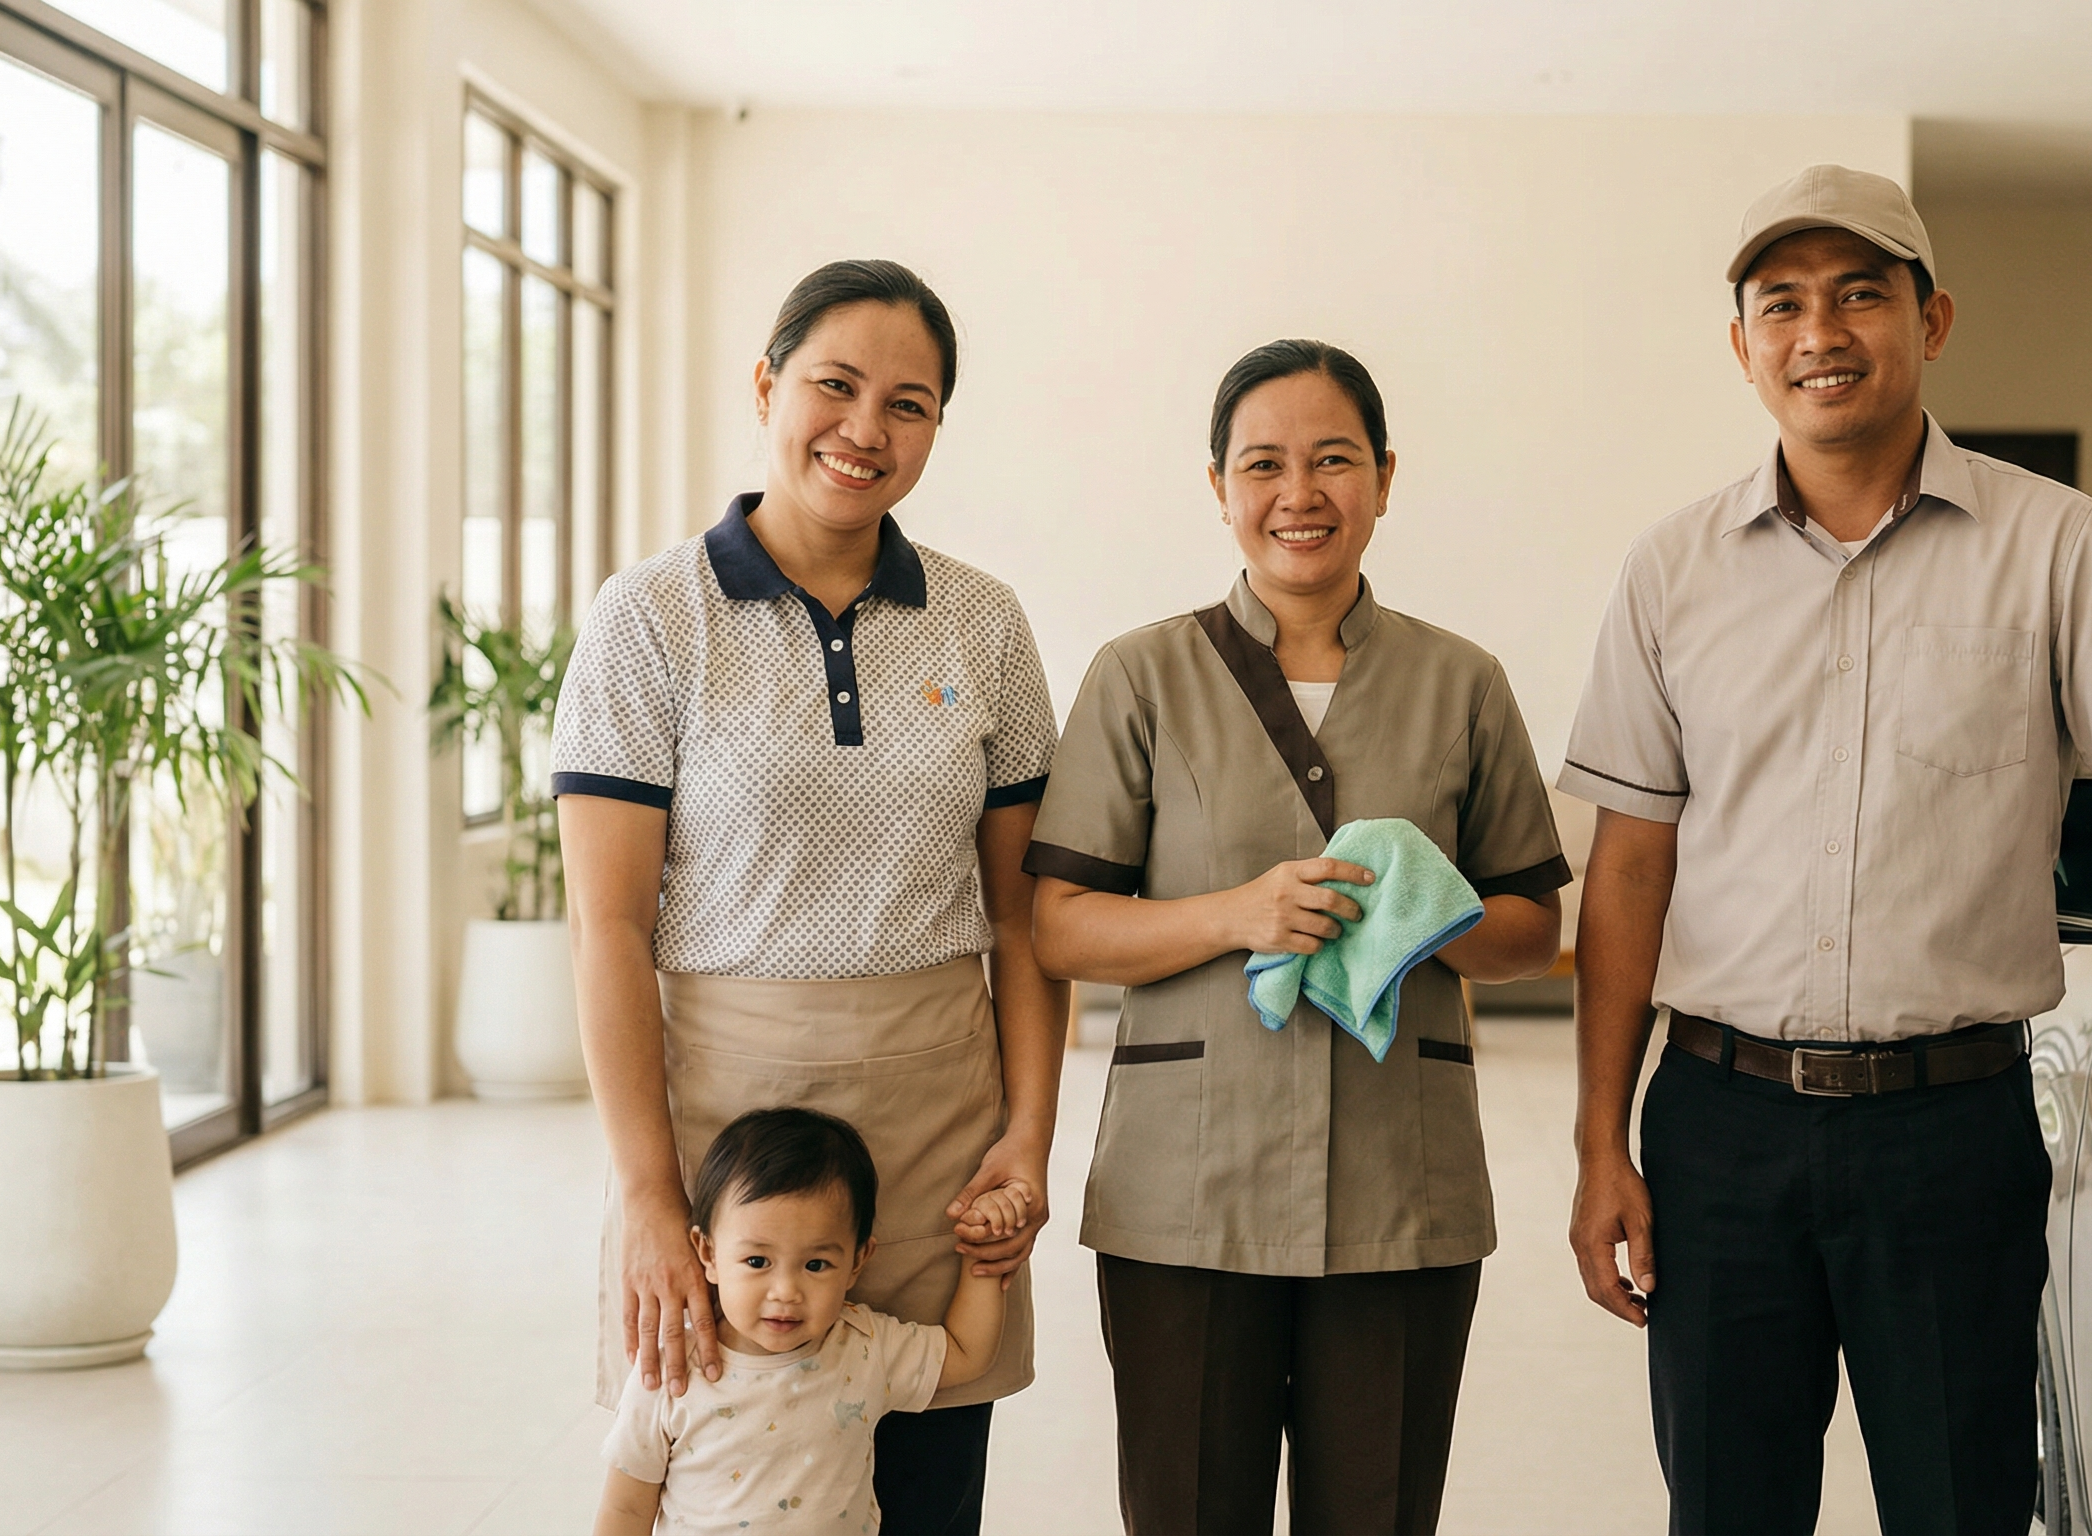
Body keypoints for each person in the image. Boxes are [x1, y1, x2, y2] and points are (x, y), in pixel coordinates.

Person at [1558, 164, 2092, 1534]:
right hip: (1720, 1131)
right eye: (1783, 303)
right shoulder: (1671, 570)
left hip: (1950, 1133)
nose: (1823, 331)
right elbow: (1631, 864)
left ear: (1933, 321)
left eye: (1862, 294)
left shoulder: (2056, 546)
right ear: (1743, 348)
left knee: (1962, 1502)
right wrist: (1598, 1144)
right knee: (1727, 1510)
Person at [553, 259, 1067, 1536]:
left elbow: (1022, 922)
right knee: (733, 1474)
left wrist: (1029, 1137)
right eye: (836, 386)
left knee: (931, 1483)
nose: (866, 429)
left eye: (910, 404)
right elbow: (607, 927)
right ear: (767, 382)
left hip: (941, 1115)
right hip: (730, 1136)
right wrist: (649, 1197)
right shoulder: (651, 618)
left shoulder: (984, 625)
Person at [1027, 339, 1573, 1536]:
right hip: (1187, 1192)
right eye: (1262, 463)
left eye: (1333, 459)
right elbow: (1060, 927)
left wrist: (1425, 923)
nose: (1299, 493)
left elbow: (1534, 928)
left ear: (1383, 475)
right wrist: (1237, 915)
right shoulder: (1140, 677)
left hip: (1399, 1189)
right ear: (1217, 486)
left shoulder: (1460, 682)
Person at [594, 1106, 1029, 1536]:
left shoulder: (863, 1346)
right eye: (757, 1260)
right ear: (707, 1253)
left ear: (858, 1261)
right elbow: (626, 1510)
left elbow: (967, 1354)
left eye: (816, 1264)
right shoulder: (670, 1373)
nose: (786, 1291)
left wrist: (982, 1254)